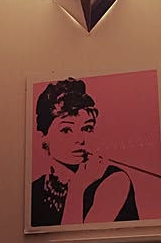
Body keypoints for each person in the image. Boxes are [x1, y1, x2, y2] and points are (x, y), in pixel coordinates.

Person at [31, 77, 139, 228]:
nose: (80, 139)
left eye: (87, 128)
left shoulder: (114, 180)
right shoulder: (34, 190)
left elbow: (74, 239)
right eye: (66, 130)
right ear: (43, 137)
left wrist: (77, 188)